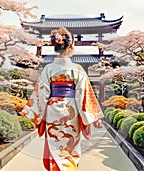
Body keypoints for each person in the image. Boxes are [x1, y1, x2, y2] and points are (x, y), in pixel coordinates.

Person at [21, 27, 104, 171]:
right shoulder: (77, 69)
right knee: (70, 149)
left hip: (52, 110)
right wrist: (94, 116)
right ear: (70, 46)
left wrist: (31, 114)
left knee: (55, 146)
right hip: (72, 111)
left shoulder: (48, 69)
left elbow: (41, 94)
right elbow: (83, 94)